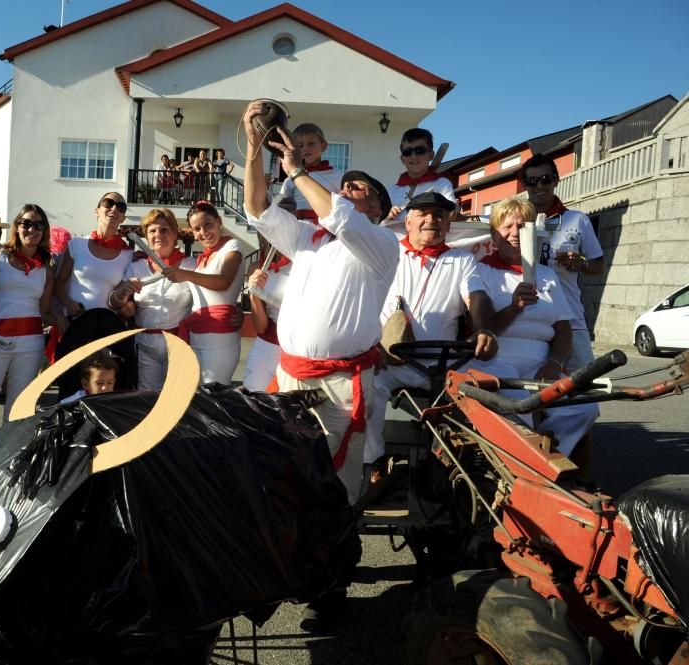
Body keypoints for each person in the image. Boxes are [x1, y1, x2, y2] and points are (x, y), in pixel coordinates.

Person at [244, 103, 397, 629]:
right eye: (346, 184)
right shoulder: (310, 240)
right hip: (290, 377)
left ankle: (330, 590)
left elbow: (338, 214)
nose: (349, 191)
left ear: (377, 208)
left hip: (338, 386)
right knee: (279, 476)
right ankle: (279, 570)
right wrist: (253, 147)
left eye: (360, 189)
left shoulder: (380, 245)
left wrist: (297, 170)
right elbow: (257, 208)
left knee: (332, 489)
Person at [363, 192, 497, 475]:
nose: (430, 220)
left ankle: (461, 470)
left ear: (448, 224)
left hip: (444, 363)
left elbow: (477, 297)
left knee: (483, 394)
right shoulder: (387, 251)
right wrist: (370, 345)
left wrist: (484, 328)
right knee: (367, 389)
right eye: (422, 214)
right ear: (408, 221)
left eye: (438, 215)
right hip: (390, 360)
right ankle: (371, 462)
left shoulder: (462, 260)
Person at [471, 197, 598, 467]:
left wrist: (555, 363)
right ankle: (523, 467)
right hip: (497, 359)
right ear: (494, 233)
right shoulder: (480, 271)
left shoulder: (546, 274)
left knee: (585, 407)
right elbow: (479, 329)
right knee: (519, 402)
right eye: (507, 227)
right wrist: (514, 307)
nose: (515, 233)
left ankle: (547, 461)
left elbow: (563, 327)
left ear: (533, 232)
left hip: (542, 364)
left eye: (522, 226)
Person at [0, 204, 61, 471]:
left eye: (38, 224)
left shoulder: (47, 268)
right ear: (17, 226)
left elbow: (43, 312)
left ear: (44, 231)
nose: (32, 229)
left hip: (30, 345)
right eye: (27, 223)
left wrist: (68, 319)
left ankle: (6, 483)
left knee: (19, 414)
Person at [521, 153, 605, 372]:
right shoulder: (515, 221)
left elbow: (598, 266)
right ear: (524, 185)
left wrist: (581, 263)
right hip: (528, 317)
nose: (539, 185)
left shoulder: (577, 219)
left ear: (556, 180)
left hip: (571, 317)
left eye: (545, 179)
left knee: (581, 387)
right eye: (532, 181)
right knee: (528, 388)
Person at [107, 208, 193, 390]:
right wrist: (123, 297)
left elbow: (210, 298)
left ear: (175, 233)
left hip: (179, 345)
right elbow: (118, 305)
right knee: (147, 399)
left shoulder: (191, 266)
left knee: (175, 398)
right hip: (145, 345)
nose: (158, 235)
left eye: (164, 230)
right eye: (152, 231)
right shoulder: (135, 267)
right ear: (146, 236)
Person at [162, 202, 244, 385]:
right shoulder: (202, 258)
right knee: (196, 395)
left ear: (219, 221)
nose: (203, 232)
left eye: (208, 224)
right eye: (197, 228)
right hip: (197, 335)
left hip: (220, 338)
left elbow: (224, 282)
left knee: (213, 398)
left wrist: (186, 275)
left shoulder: (232, 247)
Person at [54, 192, 133, 317]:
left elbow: (128, 298)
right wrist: (69, 303)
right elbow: (58, 284)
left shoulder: (128, 255)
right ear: (97, 211)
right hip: (75, 324)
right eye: (108, 203)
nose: (114, 209)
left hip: (107, 330)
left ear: (123, 217)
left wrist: (128, 307)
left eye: (121, 207)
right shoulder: (76, 244)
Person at [242, 232, 291, 392]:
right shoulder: (256, 267)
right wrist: (253, 294)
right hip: (266, 345)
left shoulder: (305, 263)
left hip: (295, 349)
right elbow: (261, 327)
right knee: (254, 397)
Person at [385, 128, 456, 223]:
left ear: (431, 155)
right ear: (402, 159)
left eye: (420, 150)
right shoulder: (391, 191)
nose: (413, 156)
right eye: (408, 152)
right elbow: (378, 224)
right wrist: (386, 216)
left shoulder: (441, 183)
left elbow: (451, 213)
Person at [277, 123, 342, 214]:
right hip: (299, 225)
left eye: (311, 144)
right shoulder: (291, 179)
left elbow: (344, 204)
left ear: (323, 146)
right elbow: (283, 204)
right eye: (300, 146)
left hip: (328, 225)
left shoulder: (337, 176)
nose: (306, 148)